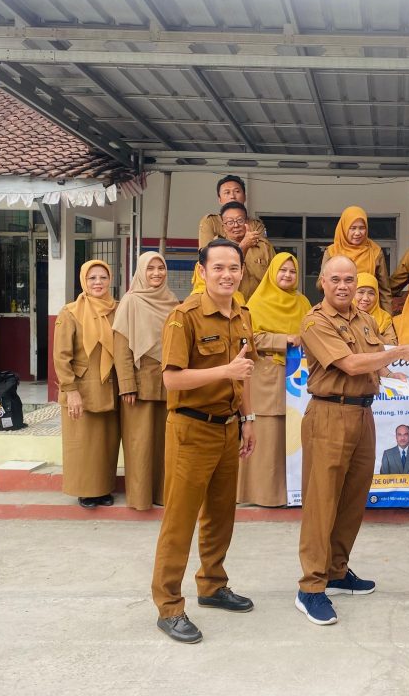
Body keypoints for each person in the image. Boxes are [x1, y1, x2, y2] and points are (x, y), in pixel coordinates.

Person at [295, 255, 409, 626]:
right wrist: (397, 351)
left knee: (352, 498)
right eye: (335, 279)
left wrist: (394, 373)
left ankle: (336, 571)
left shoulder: (365, 319)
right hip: (329, 414)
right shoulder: (315, 321)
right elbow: (350, 364)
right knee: (322, 502)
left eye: (349, 279)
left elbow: (376, 360)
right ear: (322, 281)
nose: (343, 286)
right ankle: (311, 587)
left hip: (363, 414)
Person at [151, 238, 258, 645]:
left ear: (242, 272)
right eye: (219, 267)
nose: (227, 275)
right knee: (179, 521)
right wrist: (223, 371)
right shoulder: (184, 317)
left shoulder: (242, 315)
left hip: (228, 427)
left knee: (220, 514)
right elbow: (171, 379)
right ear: (202, 271)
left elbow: (244, 372)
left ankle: (212, 585)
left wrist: (248, 418)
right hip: (191, 430)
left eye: (234, 268)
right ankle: (169, 606)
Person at [237, 252, 311, 508]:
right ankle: (260, 494)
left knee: (291, 435)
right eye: (282, 270)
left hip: (296, 378)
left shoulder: (303, 302)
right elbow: (249, 338)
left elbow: (312, 330)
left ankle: (288, 493)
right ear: (272, 272)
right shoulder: (257, 303)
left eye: (292, 271)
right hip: (268, 376)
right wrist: (283, 340)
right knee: (267, 435)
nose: (287, 275)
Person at [113, 251, 179, 510]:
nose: (156, 273)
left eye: (160, 268)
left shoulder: (172, 301)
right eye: (150, 268)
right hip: (140, 384)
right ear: (141, 271)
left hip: (168, 382)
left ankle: (163, 495)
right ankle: (140, 498)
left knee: (165, 443)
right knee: (139, 444)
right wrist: (127, 385)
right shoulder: (131, 301)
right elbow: (121, 347)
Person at [54, 260, 120, 509]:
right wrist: (70, 391)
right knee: (83, 444)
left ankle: (103, 489)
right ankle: (86, 491)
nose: (98, 282)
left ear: (110, 279)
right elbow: (61, 356)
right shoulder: (70, 312)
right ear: (83, 281)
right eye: (92, 278)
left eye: (103, 277)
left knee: (105, 443)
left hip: (109, 387)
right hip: (81, 388)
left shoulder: (117, 309)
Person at [196, 201, 274, 302]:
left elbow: (275, 277)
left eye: (240, 220)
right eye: (230, 222)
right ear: (223, 227)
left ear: (247, 222)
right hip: (228, 304)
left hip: (260, 305)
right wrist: (243, 246)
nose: (236, 225)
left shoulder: (264, 246)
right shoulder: (215, 249)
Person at [322, 206, 391, 312]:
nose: (358, 233)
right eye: (352, 228)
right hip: (338, 309)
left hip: (367, 310)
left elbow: (384, 289)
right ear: (344, 228)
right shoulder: (332, 251)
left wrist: (388, 316)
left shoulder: (375, 251)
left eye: (362, 228)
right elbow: (321, 284)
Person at [197, 174, 267, 253]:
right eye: (227, 192)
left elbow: (263, 253)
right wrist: (243, 246)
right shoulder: (210, 222)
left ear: (244, 197)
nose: (232, 196)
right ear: (220, 199)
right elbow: (206, 255)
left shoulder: (256, 225)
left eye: (237, 191)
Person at [354, 272, 397, 345]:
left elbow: (393, 344)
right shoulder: (344, 315)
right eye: (361, 292)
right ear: (352, 293)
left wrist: (374, 335)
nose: (365, 298)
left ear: (377, 296)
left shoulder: (384, 318)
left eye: (371, 293)